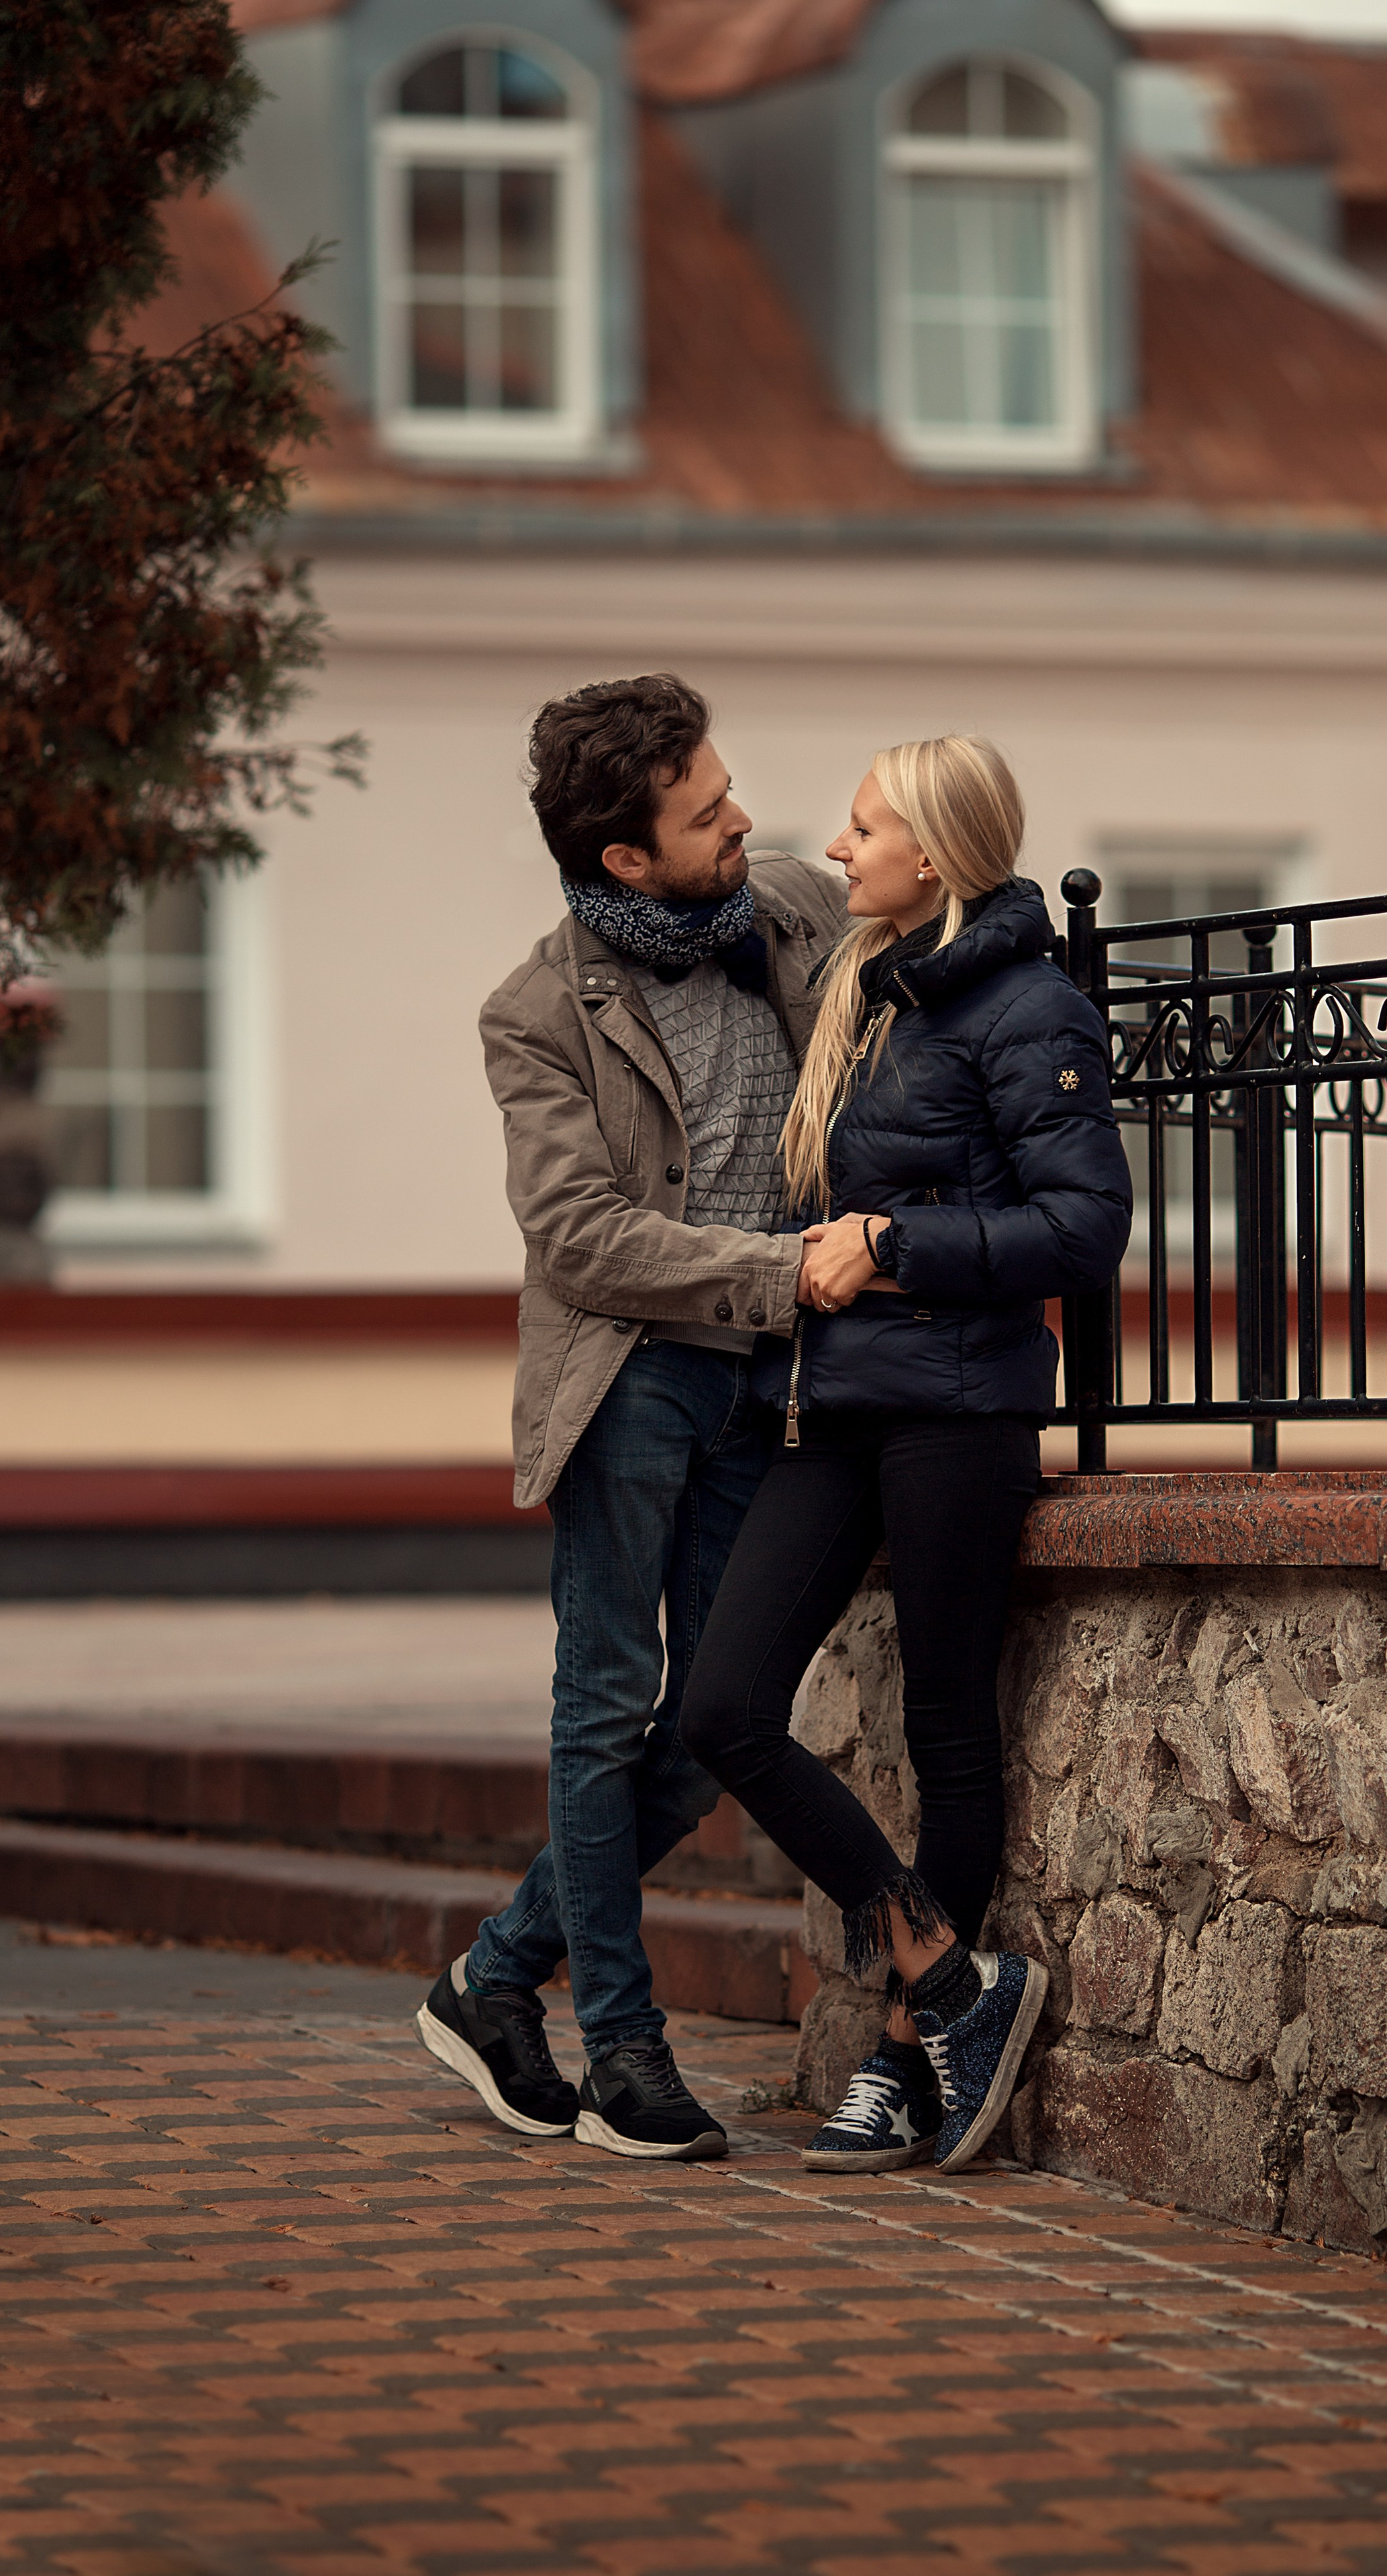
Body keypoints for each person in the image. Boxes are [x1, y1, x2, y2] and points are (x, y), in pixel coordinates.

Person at [678, 734, 1132, 2176]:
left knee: (947, 1735)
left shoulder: (1028, 1006)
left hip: (953, 1412)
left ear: (931, 858)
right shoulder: (861, 1000)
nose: (839, 843)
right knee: (725, 1704)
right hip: (827, 1410)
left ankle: (894, 2064)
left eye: (865, 827)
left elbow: (1081, 1231)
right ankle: (950, 1979)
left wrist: (889, 1240)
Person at [416, 674, 847, 2160]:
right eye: (705, 811)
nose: (742, 819)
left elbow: (935, 916)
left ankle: (492, 1977)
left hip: (762, 1382)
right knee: (603, 1714)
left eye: (727, 790)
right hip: (630, 1380)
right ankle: (621, 2051)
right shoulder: (535, 1014)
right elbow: (581, 1237)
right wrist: (777, 1271)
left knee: (719, 1718)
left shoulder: (784, 910)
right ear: (623, 859)